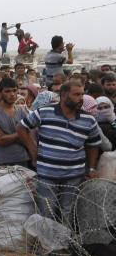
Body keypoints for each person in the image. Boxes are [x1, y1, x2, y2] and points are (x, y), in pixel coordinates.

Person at [18, 80, 103, 223]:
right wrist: (32, 149)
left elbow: (93, 145)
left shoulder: (88, 119)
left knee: (67, 212)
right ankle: (47, 238)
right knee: (47, 212)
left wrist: (92, 168)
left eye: (82, 94)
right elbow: (21, 127)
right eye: (76, 94)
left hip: (74, 175)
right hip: (47, 174)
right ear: (64, 96)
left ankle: (64, 237)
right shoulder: (44, 112)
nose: (81, 98)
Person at [0, 77, 31, 167]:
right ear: (0, 93)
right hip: (2, 161)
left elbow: (29, 136)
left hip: (22, 159)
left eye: (14, 90)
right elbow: (0, 140)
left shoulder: (22, 111)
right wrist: (21, 133)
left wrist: (8, 136)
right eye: (7, 91)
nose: (12, 94)